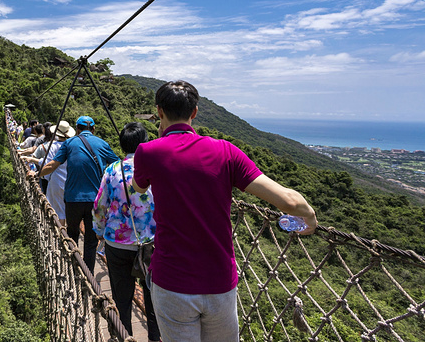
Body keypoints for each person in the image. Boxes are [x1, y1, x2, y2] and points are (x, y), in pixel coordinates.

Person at [132, 81, 317, 342]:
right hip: (219, 282)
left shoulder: (148, 152)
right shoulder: (226, 152)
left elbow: (138, 186)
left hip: (171, 281)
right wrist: (309, 217)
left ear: (159, 112)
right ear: (195, 112)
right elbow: (288, 200)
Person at [93, 122, 160, 342]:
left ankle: (125, 337)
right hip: (150, 245)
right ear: (146, 143)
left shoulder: (112, 170)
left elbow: (100, 205)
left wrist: (99, 231)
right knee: (153, 299)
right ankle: (154, 338)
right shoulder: (157, 169)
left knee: (121, 299)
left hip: (117, 245)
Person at [36, 115, 119, 272]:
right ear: (93, 129)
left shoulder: (69, 143)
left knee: (72, 235)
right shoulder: (102, 143)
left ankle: (73, 270)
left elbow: (53, 164)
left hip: (73, 199)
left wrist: (36, 174)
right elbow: (116, 165)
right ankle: (88, 274)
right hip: (95, 201)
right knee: (90, 241)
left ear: (78, 129)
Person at [23, 120, 75, 224]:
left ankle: (60, 236)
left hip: (56, 181)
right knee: (68, 210)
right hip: (71, 182)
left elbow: (48, 164)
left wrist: (36, 172)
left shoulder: (53, 146)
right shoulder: (72, 146)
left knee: (58, 212)